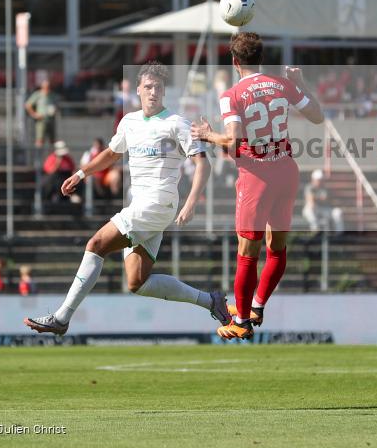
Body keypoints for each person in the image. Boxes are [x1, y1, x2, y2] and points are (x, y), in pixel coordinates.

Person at [25, 62, 230, 335]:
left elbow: (203, 164)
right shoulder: (129, 121)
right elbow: (111, 154)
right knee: (137, 282)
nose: (153, 92)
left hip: (159, 202)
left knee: (96, 243)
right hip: (141, 205)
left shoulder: (176, 123)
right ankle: (210, 300)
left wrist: (191, 202)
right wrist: (81, 173)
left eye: (158, 87)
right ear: (138, 90)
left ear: (164, 91)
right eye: (148, 87)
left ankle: (62, 317)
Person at [191, 33, 324, 340]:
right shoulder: (283, 84)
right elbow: (317, 116)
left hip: (256, 178)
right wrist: (300, 83)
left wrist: (207, 135)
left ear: (235, 61)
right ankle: (258, 306)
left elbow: (235, 144)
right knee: (276, 248)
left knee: (247, 251)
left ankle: (240, 320)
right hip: (287, 172)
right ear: (262, 57)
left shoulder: (232, 94)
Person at [301, 169, 344, 235]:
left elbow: (324, 199)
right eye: (318, 180)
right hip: (312, 209)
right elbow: (310, 200)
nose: (319, 181)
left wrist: (315, 198)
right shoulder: (309, 187)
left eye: (321, 180)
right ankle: (315, 231)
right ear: (313, 179)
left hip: (323, 209)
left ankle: (340, 235)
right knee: (310, 208)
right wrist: (316, 199)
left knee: (338, 212)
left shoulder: (325, 188)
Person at [25, 79, 59, 147]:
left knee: (53, 140)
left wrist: (55, 110)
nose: (47, 88)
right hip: (41, 121)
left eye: (49, 87)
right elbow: (28, 105)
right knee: (40, 140)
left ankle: (52, 156)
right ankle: (38, 156)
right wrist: (34, 114)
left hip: (51, 120)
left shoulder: (52, 95)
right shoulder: (38, 94)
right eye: (46, 87)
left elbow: (56, 105)